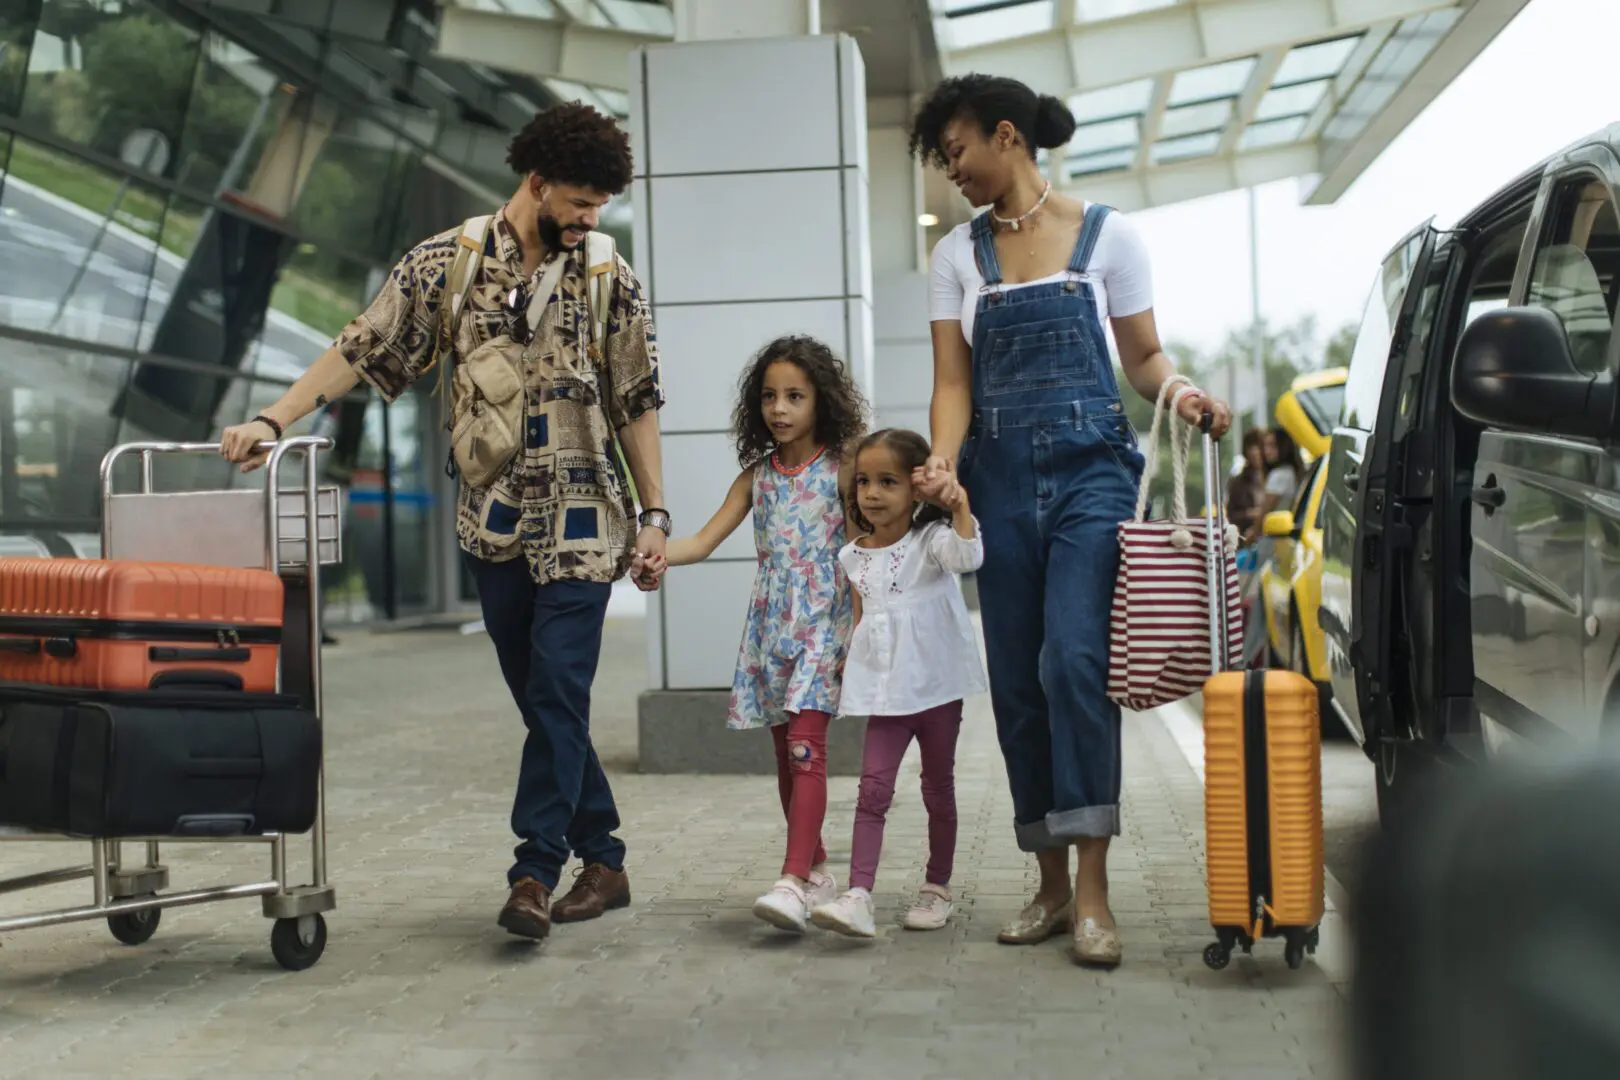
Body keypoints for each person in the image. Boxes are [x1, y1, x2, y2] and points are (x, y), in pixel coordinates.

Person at [219, 102, 669, 942]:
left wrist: (654, 515)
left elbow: (637, 399)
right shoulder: (449, 265)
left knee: (558, 689)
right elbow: (362, 346)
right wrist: (277, 418)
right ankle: (604, 858)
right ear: (535, 184)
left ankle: (533, 874)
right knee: (545, 705)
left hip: (582, 524)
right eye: (576, 201)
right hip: (491, 523)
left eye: (600, 205)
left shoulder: (609, 275)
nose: (587, 218)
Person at [906, 74, 1232, 968]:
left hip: (1094, 473)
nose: (951, 172)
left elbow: (1142, 356)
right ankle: (1047, 882)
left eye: (956, 151)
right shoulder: (957, 257)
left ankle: (1093, 888)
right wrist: (942, 461)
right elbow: (953, 384)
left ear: (1005, 135)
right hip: (997, 483)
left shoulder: (1108, 237)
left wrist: (1184, 392)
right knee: (1014, 680)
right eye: (941, 161)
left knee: (1074, 660)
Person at [636, 335, 867, 933]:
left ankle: (790, 880)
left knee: (805, 750)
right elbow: (703, 540)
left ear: (823, 400)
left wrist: (866, 632)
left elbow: (868, 551)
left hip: (825, 624)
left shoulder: (845, 469)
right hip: (771, 629)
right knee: (786, 761)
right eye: (769, 396)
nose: (780, 408)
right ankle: (815, 870)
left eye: (795, 395)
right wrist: (651, 557)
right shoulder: (756, 477)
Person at [808, 428, 985, 939]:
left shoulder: (931, 544)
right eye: (864, 482)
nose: (873, 493)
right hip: (886, 694)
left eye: (888, 481)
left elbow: (969, 558)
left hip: (935, 690)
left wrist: (958, 505)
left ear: (915, 491)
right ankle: (859, 894)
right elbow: (862, 617)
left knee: (938, 790)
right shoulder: (852, 555)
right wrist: (845, 669)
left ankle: (937, 886)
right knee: (872, 792)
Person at [1228, 428, 1270, 544]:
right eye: (1250, 447)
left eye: (1258, 446)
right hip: (1247, 541)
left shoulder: (1276, 477)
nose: (1254, 452)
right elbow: (1231, 516)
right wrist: (1250, 513)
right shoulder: (1239, 482)